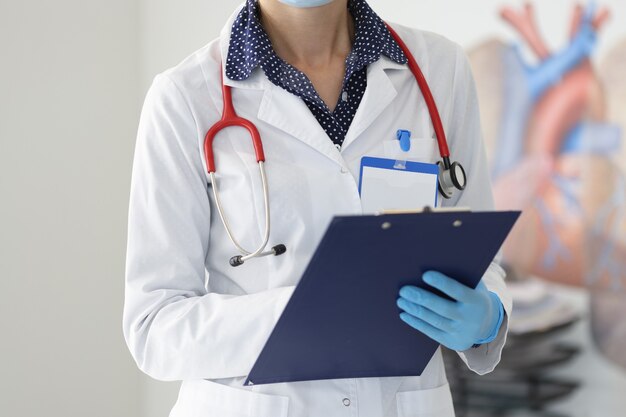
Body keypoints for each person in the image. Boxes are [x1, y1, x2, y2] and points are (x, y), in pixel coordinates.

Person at [122, 1, 511, 416]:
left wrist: (488, 317)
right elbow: (154, 327)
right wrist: (304, 313)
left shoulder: (438, 69)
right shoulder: (184, 96)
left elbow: (477, 254)